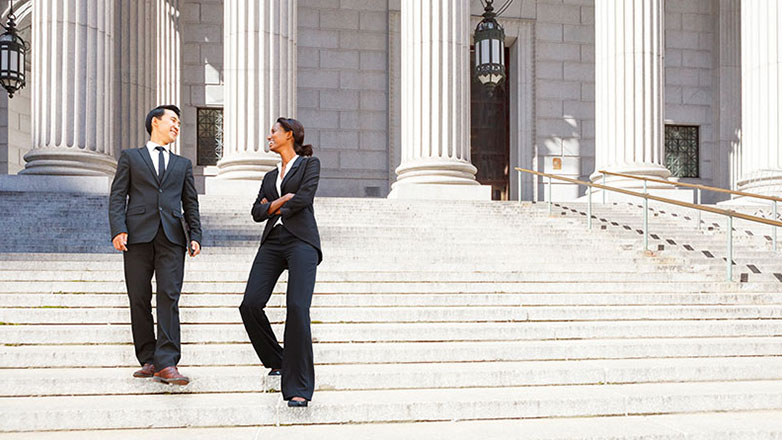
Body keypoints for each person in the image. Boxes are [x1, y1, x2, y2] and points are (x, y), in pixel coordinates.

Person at [108, 104, 202, 385]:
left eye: (178, 122)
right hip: (137, 236)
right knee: (138, 297)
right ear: (154, 123)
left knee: (169, 297)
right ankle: (148, 359)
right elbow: (117, 197)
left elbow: (190, 202)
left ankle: (168, 362)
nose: (176, 125)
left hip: (172, 237)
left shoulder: (182, 164)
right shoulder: (131, 157)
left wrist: (195, 234)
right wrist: (118, 229)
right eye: (172, 120)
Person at [239, 117, 322, 407]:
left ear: (289, 134)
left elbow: (304, 198)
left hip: (302, 241)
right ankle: (277, 359)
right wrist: (279, 201)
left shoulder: (310, 164)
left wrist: (271, 206)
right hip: (273, 242)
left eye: (274, 131)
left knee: (297, 308)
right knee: (249, 304)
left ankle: (299, 387)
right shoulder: (268, 176)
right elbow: (256, 212)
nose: (269, 135)